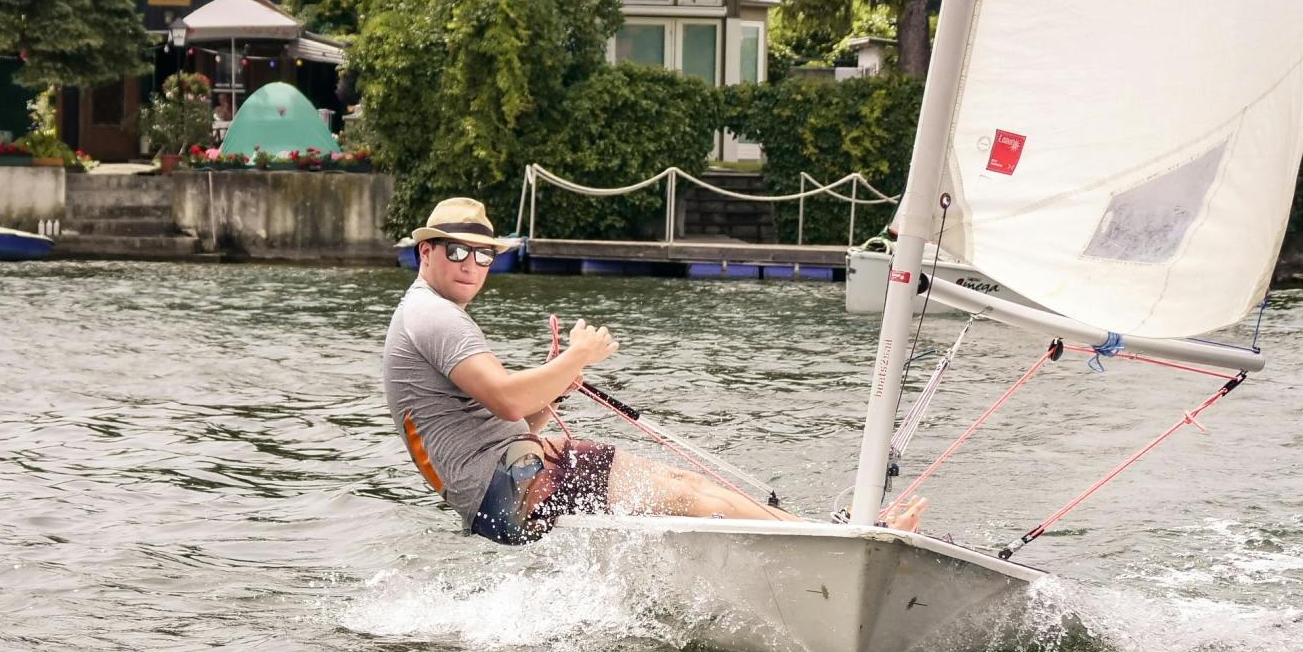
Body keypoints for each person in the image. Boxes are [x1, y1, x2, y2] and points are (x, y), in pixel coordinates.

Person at [384, 197, 923, 545]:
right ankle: (837, 542)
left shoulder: (428, 315)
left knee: (682, 483)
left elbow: (519, 421)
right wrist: (578, 357)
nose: (472, 266)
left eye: (483, 256)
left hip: (500, 494)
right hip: (512, 485)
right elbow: (505, 400)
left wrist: (555, 385)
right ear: (425, 251)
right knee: (685, 493)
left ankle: (817, 536)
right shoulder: (434, 317)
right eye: (457, 251)